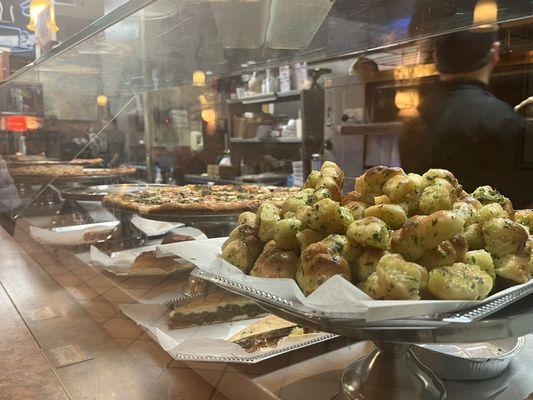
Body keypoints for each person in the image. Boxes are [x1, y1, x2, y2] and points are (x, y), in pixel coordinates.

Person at [400, 29, 531, 208]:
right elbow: (522, 205)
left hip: (414, 230)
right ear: (494, 53)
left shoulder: (412, 118)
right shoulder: (504, 118)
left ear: (436, 60)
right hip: (482, 234)